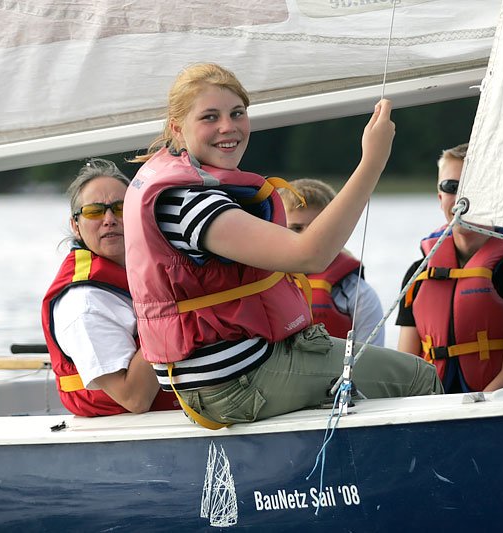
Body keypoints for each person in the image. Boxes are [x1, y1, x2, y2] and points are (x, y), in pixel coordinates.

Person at [123, 63, 442, 428]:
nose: (228, 127)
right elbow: (311, 255)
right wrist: (373, 160)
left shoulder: (174, 181)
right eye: (210, 117)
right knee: (419, 377)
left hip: (230, 373)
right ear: (178, 128)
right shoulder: (188, 204)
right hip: (237, 383)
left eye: (237, 113)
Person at [396, 143, 503, 392]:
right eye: (452, 187)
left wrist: (474, 411)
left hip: (499, 405)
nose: (461, 199)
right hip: (431, 407)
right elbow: (404, 367)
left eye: (474, 188)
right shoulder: (419, 271)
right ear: (440, 197)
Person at [41, 159, 179, 416]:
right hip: (133, 431)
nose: (109, 220)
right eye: (94, 211)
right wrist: (175, 309)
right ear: (76, 226)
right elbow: (134, 398)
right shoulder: (84, 305)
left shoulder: (147, 266)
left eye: (120, 208)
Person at [280, 178, 385, 346]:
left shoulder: (358, 295)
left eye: (318, 228)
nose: (309, 238)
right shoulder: (256, 285)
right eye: (296, 228)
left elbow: (371, 361)